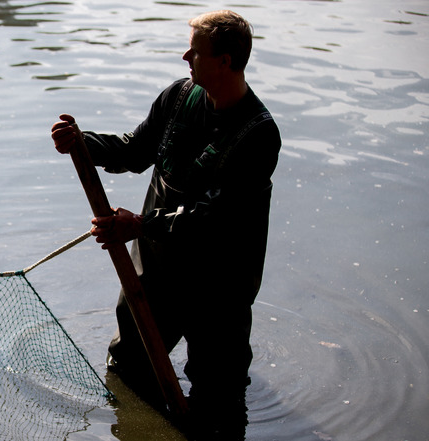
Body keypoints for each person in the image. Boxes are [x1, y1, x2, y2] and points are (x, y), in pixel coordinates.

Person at [50, 10, 281, 440]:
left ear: (225, 62)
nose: (185, 55)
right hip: (156, 270)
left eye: (196, 50)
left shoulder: (258, 134)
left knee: (220, 398)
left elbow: (215, 218)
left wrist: (139, 224)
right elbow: (135, 151)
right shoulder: (179, 96)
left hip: (219, 286)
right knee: (130, 368)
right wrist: (85, 143)